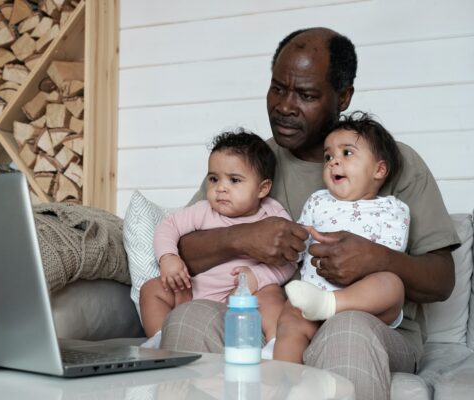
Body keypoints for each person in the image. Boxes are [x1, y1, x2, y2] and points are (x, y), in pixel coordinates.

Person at [158, 27, 461, 400]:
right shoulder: (252, 162)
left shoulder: (394, 162)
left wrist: (378, 259)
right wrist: (242, 237)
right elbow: (181, 248)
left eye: (306, 95)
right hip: (277, 323)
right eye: (278, 88)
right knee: (190, 316)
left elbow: (443, 278)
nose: (285, 105)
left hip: (368, 325)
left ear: (343, 97)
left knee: (348, 329)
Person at [139, 130, 296, 349]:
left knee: (271, 296)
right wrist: (168, 257)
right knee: (152, 289)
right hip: (193, 291)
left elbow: (290, 259)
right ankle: (159, 337)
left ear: (262, 188)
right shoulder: (203, 210)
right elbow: (169, 226)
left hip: (245, 297)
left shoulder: (272, 215)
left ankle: (273, 344)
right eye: (214, 179)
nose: (220, 188)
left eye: (234, 180)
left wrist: (258, 277)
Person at [276, 111, 409, 363]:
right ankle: (282, 376)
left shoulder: (392, 208)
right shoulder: (318, 201)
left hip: (364, 307)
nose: (333, 162)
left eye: (346, 153)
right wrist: (297, 237)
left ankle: (330, 303)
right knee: (289, 318)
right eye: (328, 156)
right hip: (313, 296)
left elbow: (390, 252)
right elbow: (298, 247)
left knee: (392, 284)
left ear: (379, 170)